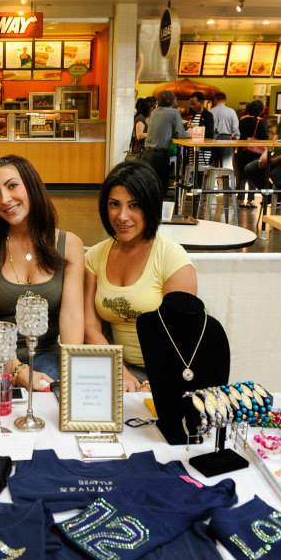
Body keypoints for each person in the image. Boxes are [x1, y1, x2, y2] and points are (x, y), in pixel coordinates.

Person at [0, 155, 84, 390]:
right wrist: (17, 369)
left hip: (47, 357)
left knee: (51, 390)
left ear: (31, 186)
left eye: (12, 186)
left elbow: (72, 318)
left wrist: (74, 375)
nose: (5, 199)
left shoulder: (69, 244)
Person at [84, 160, 197, 392]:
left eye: (134, 205)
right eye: (114, 204)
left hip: (170, 369)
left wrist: (153, 382)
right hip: (115, 367)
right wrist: (119, 370)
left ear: (151, 206)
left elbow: (182, 335)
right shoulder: (94, 257)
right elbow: (90, 327)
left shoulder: (172, 257)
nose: (122, 216)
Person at [143, 90, 188, 195]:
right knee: (161, 189)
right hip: (160, 155)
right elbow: (180, 134)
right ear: (172, 101)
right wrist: (192, 133)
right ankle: (159, 211)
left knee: (149, 188)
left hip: (147, 154)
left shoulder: (154, 112)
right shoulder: (174, 112)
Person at [235, 100, 268, 207]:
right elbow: (264, 137)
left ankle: (240, 199)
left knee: (241, 176)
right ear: (260, 110)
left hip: (241, 150)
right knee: (252, 175)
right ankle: (250, 200)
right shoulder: (260, 122)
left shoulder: (241, 120)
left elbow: (237, 134)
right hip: (255, 152)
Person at [209, 91, 239, 168]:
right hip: (227, 139)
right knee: (227, 166)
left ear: (215, 99)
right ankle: (227, 180)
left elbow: (208, 128)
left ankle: (212, 180)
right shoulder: (231, 111)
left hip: (213, 139)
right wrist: (236, 139)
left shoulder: (210, 112)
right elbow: (235, 129)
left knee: (212, 165)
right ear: (225, 100)